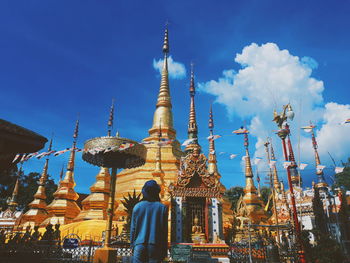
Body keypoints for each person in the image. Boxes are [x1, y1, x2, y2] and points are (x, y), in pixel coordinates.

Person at [130, 180, 168, 263]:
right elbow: (164, 231)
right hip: (155, 244)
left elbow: (133, 229)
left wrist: (132, 246)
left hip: (139, 244)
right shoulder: (162, 208)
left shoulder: (137, 207)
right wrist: (164, 249)